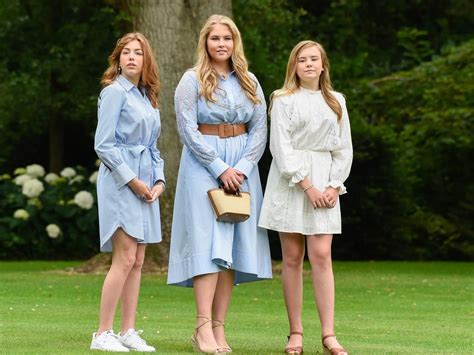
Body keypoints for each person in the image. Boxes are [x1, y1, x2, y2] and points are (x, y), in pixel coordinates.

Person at [167, 14, 272, 354]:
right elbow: (186, 129)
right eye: (215, 39)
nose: (222, 44)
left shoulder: (249, 81)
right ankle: (201, 327)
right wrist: (218, 166)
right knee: (208, 245)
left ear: (235, 42)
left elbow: (259, 129)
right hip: (203, 166)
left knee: (231, 251)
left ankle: (219, 327)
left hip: (242, 167)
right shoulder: (191, 80)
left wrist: (240, 167)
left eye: (227, 38)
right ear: (205, 43)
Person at [259, 40, 352, 355]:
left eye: (314, 59)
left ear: (323, 64)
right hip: (291, 181)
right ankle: (295, 332)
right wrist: (306, 185)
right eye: (302, 60)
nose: (309, 64)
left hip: (325, 180)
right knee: (293, 257)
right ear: (294, 66)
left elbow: (343, 148)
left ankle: (329, 335)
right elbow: (280, 147)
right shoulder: (283, 100)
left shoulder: (337, 101)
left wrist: (332, 185)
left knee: (322, 254)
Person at [91, 32, 165, 353]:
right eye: (126, 53)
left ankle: (128, 331)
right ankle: (102, 333)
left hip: (146, 183)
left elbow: (152, 147)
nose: (132, 57)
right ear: (118, 60)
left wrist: (158, 182)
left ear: (145, 60)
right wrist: (132, 180)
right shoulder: (114, 94)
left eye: (138, 53)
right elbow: (103, 144)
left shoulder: (146, 97)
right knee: (124, 258)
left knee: (138, 261)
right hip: (121, 182)